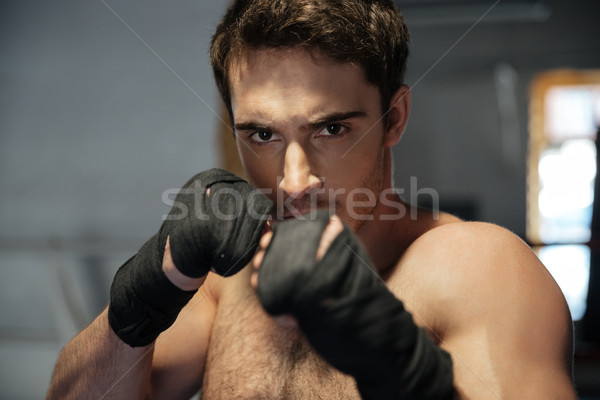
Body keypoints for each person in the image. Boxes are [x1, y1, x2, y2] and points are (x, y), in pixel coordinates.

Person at [47, 0, 577, 399]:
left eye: (330, 129)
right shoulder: (229, 283)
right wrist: (144, 292)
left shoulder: (481, 268)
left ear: (393, 118)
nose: (295, 181)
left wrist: (406, 372)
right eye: (262, 135)